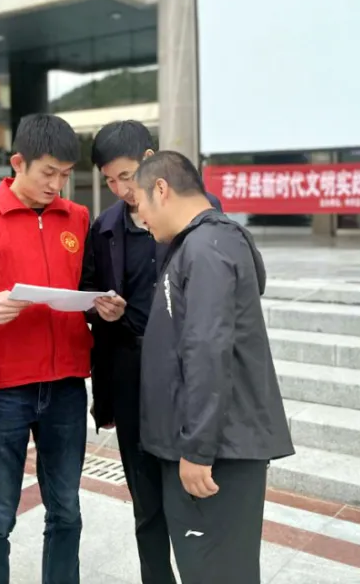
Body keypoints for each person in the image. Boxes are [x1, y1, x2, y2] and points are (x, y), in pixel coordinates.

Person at [0, 113, 125, 584]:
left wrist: (100, 308)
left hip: (66, 385)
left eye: (64, 175)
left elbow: (86, 289)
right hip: (4, 387)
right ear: (18, 163)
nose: (56, 185)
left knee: (66, 510)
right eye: (48, 173)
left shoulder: (78, 218)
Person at [131, 151, 294, 584]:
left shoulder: (206, 248)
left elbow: (207, 348)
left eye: (139, 203)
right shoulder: (198, 244)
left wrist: (198, 450)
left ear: (161, 189)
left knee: (216, 571)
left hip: (217, 452)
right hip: (204, 444)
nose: (140, 218)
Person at [81, 121, 219, 584]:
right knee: (145, 502)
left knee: (195, 502)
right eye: (109, 181)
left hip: (183, 375)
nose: (121, 189)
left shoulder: (199, 216)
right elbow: (89, 294)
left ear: (149, 159)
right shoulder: (105, 227)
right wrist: (103, 310)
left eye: (125, 176)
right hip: (131, 374)